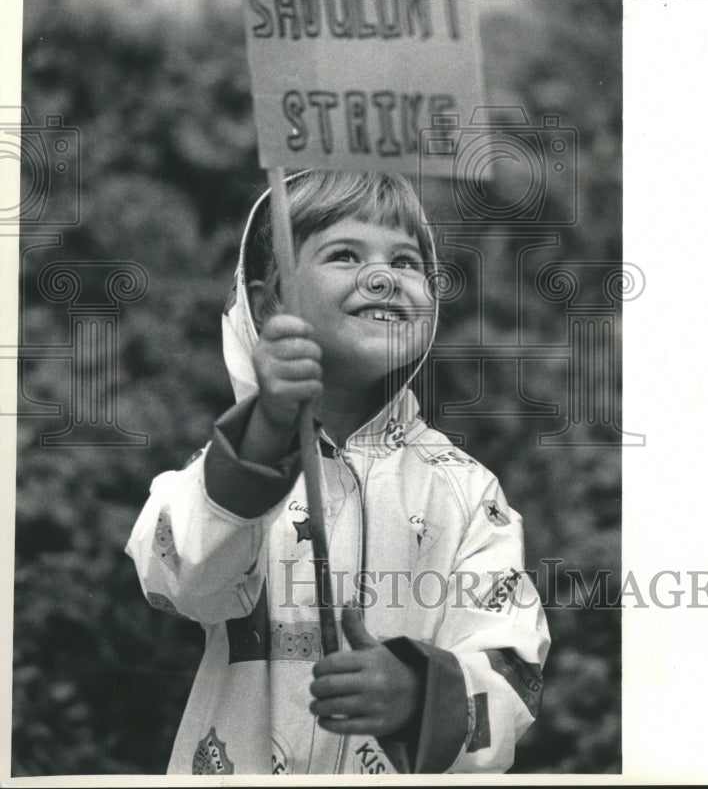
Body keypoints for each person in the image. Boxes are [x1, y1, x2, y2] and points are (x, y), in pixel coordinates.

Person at [126, 170, 550, 775]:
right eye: (344, 254)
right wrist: (267, 433)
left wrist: (418, 694)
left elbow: (512, 664)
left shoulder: (465, 490)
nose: (382, 276)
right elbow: (180, 580)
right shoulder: (230, 469)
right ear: (271, 300)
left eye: (406, 260)